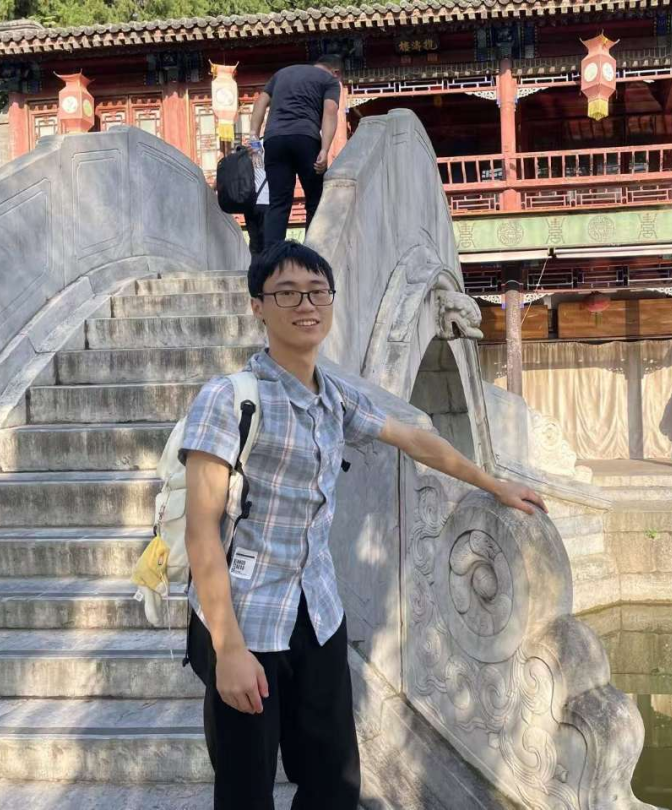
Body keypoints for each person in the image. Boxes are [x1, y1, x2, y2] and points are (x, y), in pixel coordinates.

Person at [182, 240, 546, 810]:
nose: (306, 305)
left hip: (318, 613)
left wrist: (493, 483)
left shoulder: (334, 398)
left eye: (317, 292)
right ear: (258, 306)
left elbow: (415, 439)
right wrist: (228, 649)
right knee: (246, 789)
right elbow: (201, 531)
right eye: (286, 293)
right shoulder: (228, 400)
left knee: (334, 783)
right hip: (246, 617)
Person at [249, 54, 343, 247]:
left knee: (278, 202)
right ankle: (312, 251)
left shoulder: (282, 74)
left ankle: (273, 256)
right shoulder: (330, 81)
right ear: (336, 72)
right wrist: (325, 149)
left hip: (274, 140)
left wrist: (253, 136)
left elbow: (260, 102)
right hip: (305, 139)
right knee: (315, 199)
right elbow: (330, 111)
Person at [245, 144, 270, 258]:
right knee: (267, 243)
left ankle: (254, 265)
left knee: (254, 243)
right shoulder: (269, 155)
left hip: (250, 205)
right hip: (266, 202)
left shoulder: (247, 158)